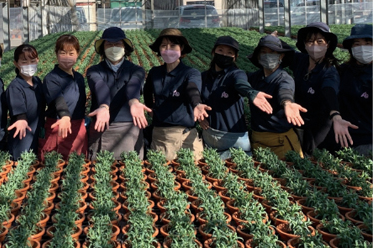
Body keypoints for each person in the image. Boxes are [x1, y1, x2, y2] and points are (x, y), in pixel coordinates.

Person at [199, 36, 274, 159]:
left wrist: (251, 93)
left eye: (230, 52)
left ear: (235, 57)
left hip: (235, 138)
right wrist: (200, 116)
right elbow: (195, 98)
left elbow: (241, 84)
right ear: (213, 52)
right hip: (210, 134)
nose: (224, 55)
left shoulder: (236, 74)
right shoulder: (204, 77)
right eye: (220, 50)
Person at [143, 28, 211, 162]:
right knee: (162, 170)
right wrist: (150, 109)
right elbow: (147, 91)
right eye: (164, 46)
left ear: (181, 48)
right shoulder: (155, 72)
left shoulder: (190, 72)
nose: (168, 49)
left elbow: (192, 88)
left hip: (185, 134)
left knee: (191, 169)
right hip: (161, 135)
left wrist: (197, 104)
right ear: (159, 49)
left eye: (173, 45)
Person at [86, 27, 147, 160]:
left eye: (118, 44)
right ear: (103, 48)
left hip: (129, 127)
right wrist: (104, 106)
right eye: (109, 44)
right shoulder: (94, 70)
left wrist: (134, 102)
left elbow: (133, 85)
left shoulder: (136, 70)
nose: (113, 48)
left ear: (125, 47)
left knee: (130, 166)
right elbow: (99, 85)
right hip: (102, 125)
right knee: (100, 167)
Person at [247, 35, 306, 159]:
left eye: (272, 52)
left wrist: (287, 103)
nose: (267, 56)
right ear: (258, 56)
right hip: (257, 138)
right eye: (264, 52)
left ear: (281, 56)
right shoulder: (254, 78)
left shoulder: (284, 79)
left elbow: (285, 92)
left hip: (281, 141)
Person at [291, 23, 341, 154]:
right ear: (304, 44)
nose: (314, 46)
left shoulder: (329, 71)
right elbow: (285, 51)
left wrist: (335, 113)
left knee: (312, 154)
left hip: (319, 125)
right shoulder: (300, 61)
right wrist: (272, 40)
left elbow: (329, 90)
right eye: (310, 41)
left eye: (319, 41)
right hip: (298, 120)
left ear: (327, 44)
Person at [324, 24, 372, 155]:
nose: (362, 48)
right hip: (340, 136)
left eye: (368, 43)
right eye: (357, 44)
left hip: (367, 141)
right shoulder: (343, 71)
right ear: (351, 48)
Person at [39, 34, 87, 160]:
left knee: (77, 163)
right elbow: (58, 99)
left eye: (71, 53)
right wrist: (65, 116)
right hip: (58, 126)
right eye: (63, 53)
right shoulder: (51, 78)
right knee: (55, 164)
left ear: (77, 54)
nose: (67, 57)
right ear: (56, 54)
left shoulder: (79, 78)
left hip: (77, 126)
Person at [4, 44, 46, 160]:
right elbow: (19, 112)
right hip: (22, 138)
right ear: (16, 63)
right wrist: (21, 119)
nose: (29, 65)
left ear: (37, 60)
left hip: (37, 134)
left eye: (32, 61)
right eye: (24, 61)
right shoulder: (15, 87)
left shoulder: (37, 82)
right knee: (23, 163)